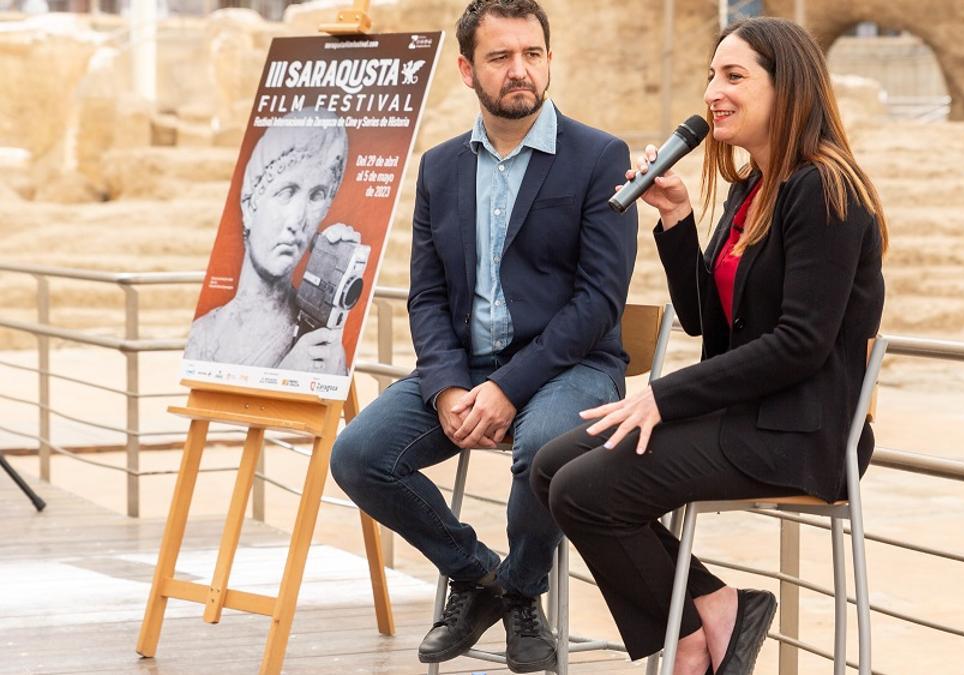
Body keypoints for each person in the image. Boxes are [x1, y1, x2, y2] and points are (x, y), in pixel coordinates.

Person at [530, 17, 888, 675]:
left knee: (586, 490)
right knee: (553, 465)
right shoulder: (753, 187)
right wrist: (675, 217)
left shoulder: (825, 189)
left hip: (803, 429)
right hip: (747, 412)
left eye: (733, 76)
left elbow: (800, 345)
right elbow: (705, 324)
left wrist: (661, 396)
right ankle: (714, 609)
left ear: (789, 89)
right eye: (710, 75)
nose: (712, 92)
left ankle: (696, 634)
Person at [328, 0, 638, 671]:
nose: (519, 70)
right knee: (356, 455)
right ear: (468, 70)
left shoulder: (599, 156)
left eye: (532, 53)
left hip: (572, 365)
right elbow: (429, 294)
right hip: (464, 367)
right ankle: (478, 575)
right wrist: (444, 386)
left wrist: (506, 387)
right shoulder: (440, 167)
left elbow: (597, 302)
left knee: (543, 449)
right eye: (501, 57)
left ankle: (525, 592)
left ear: (550, 59)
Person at [184, 111, 357, 375]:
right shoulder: (203, 336)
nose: (297, 220)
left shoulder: (318, 341)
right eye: (286, 192)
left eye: (317, 196)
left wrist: (334, 276)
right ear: (250, 206)